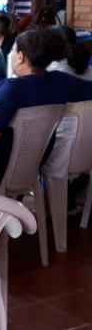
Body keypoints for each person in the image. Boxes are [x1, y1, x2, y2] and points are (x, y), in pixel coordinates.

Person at [0, 28, 92, 187]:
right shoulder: (62, 82)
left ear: (20, 57)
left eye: (12, 50)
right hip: (35, 164)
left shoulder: (12, 88)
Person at [43, 25, 92, 213]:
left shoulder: (52, 74)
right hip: (88, 151)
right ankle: (69, 195)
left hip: (60, 151)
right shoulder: (88, 70)